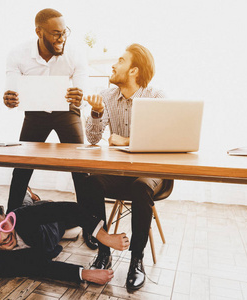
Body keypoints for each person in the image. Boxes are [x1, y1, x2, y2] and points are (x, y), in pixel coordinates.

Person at [2, 8, 96, 249]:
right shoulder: (18, 54)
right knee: (22, 167)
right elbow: (11, 94)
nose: (61, 38)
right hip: (35, 115)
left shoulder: (74, 54)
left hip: (68, 113)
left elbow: (82, 95)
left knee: (81, 169)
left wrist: (80, 97)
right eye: (55, 34)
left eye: (64, 33)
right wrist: (9, 99)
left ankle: (90, 227)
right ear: (38, 32)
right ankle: (10, 222)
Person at [82, 43, 165, 290]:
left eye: (120, 60)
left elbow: (163, 139)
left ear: (133, 71)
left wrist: (126, 140)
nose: (113, 65)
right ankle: (103, 252)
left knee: (141, 188)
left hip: (152, 173)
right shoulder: (106, 97)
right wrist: (96, 113)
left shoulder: (156, 98)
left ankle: (136, 261)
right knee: (91, 182)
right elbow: (94, 139)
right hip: (120, 172)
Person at [0, 201, 130, 284]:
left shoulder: (22, 217)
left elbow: (70, 210)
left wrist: (105, 238)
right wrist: (84, 274)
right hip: (45, 245)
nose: (4, 236)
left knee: (52, 211)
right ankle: (33, 197)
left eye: (4, 226)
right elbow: (40, 268)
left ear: (7, 219)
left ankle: (35, 199)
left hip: (52, 227)